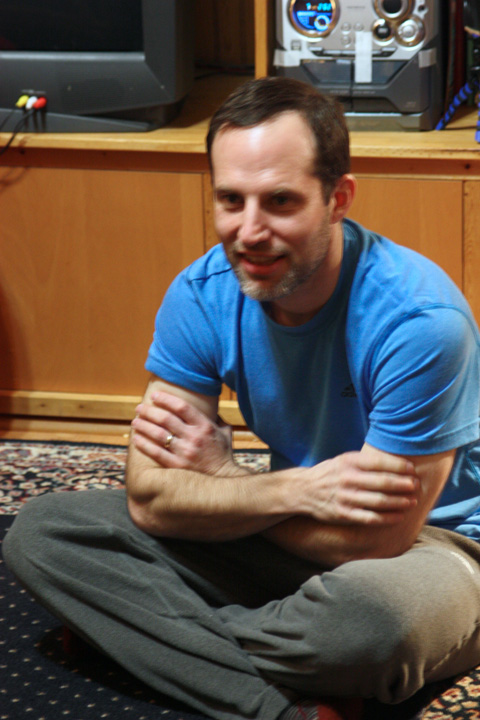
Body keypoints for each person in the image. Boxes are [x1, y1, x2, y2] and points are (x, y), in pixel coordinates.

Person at [4, 76, 480, 720]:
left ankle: (142, 636)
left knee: (367, 627)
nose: (249, 231)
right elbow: (150, 496)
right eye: (231, 200)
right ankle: (271, 699)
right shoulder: (202, 294)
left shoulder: (419, 320)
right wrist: (293, 489)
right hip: (295, 529)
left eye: (280, 201)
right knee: (44, 533)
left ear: (338, 199)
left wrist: (223, 480)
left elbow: (376, 539)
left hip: (434, 550)